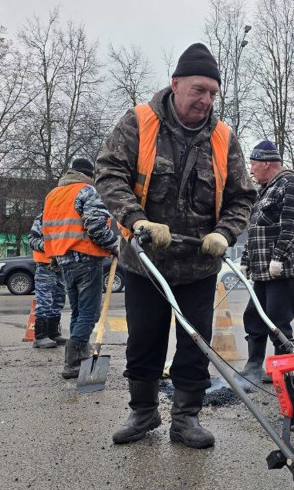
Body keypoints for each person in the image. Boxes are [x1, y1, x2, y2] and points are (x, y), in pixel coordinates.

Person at [96, 42, 255, 449]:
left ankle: (186, 419)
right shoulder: (139, 122)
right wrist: (137, 219)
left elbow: (242, 197)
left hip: (199, 265)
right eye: (199, 89)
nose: (206, 100)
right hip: (146, 262)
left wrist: (225, 232)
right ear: (176, 83)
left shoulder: (223, 138)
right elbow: (109, 174)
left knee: (195, 344)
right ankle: (143, 412)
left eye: (213, 93)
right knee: (144, 339)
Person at [238, 140, 294, 386]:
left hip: (283, 268)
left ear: (267, 163)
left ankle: (283, 369)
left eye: (254, 164)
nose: (251, 170)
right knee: (254, 317)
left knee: (277, 319)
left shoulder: (291, 184)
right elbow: (255, 230)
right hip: (262, 270)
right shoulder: (264, 190)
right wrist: (246, 260)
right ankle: (254, 366)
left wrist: (279, 256)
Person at [41, 156, 120, 378]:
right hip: (86, 258)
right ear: (89, 175)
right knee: (89, 313)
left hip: (64, 260)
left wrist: (55, 257)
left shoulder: (53, 195)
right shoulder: (86, 191)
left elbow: (47, 229)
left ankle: (80, 355)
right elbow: (95, 225)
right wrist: (114, 245)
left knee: (77, 311)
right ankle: (74, 362)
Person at [28, 211, 68, 349]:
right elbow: (32, 240)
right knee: (45, 301)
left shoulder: (66, 217)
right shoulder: (44, 216)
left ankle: (53, 333)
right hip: (45, 266)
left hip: (60, 267)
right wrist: (50, 248)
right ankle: (40, 337)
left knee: (58, 300)